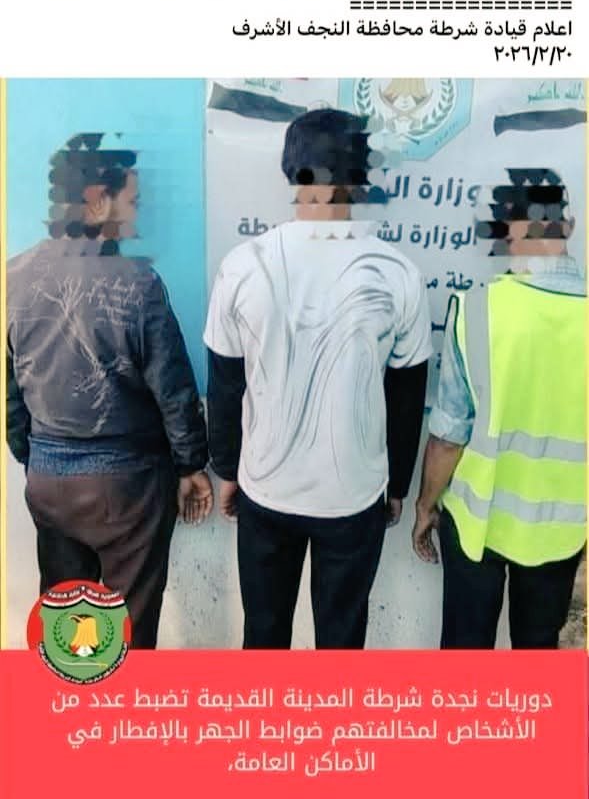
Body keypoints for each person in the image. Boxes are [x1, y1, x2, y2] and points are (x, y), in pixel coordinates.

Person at [204, 109, 432, 649]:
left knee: (264, 637)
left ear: (291, 171)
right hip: (353, 496)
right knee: (341, 644)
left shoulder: (242, 265)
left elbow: (225, 385)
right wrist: (397, 487)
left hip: (266, 490)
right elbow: (406, 396)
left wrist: (228, 470)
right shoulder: (398, 273)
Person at [7, 134, 213, 648]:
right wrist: (191, 466)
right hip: (128, 490)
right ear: (98, 201)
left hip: (48, 480)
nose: (137, 217)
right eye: (132, 202)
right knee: (130, 633)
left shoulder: (12, 278)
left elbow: (10, 392)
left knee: (67, 629)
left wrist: (33, 456)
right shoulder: (139, 284)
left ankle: (68, 698)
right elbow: (174, 391)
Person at [412, 168, 586, 648]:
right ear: (569, 225)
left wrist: (425, 506)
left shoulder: (478, 309)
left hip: (477, 525)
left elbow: (449, 436)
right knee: (537, 655)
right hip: (561, 530)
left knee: (466, 659)